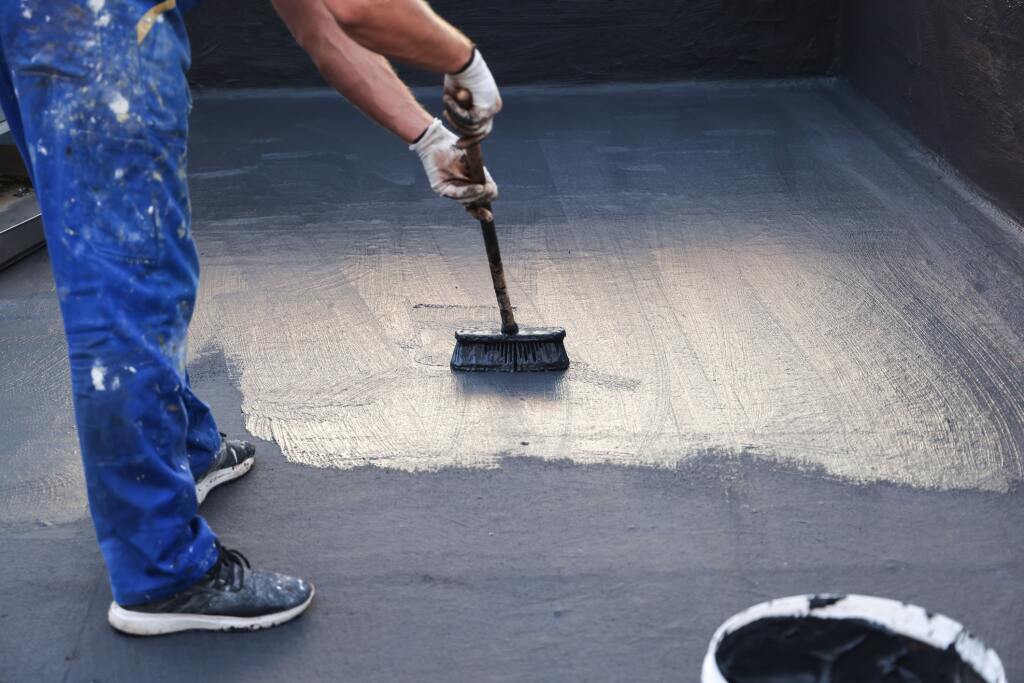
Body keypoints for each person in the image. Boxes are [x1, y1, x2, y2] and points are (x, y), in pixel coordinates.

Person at [0, 0, 500, 635]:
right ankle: (163, 574)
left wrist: (428, 139)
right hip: (97, 30)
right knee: (128, 280)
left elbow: (317, 21)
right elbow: (357, 8)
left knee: (132, 261)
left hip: (40, 24)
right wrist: (465, 61)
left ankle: (183, 449)